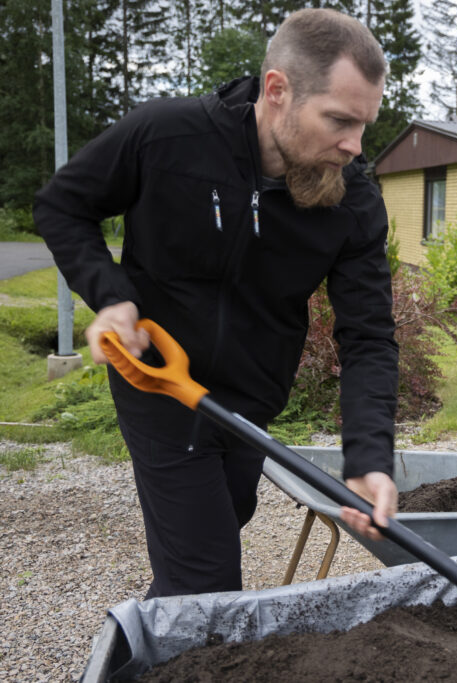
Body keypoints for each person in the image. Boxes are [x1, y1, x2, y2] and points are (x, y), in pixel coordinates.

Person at [33, 9, 399, 598]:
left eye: (365, 124)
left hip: (250, 402)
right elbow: (62, 205)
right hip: (159, 382)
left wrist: (369, 457)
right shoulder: (166, 136)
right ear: (277, 90)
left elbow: (369, 337)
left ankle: (128, 655)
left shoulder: (352, 201)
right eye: (339, 120)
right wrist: (112, 297)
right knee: (207, 581)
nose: (355, 146)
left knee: (202, 553)